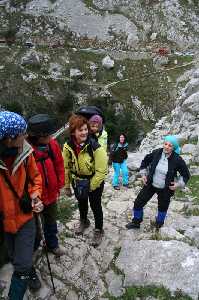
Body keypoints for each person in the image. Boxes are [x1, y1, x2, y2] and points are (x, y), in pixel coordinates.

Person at [0, 111, 43, 299]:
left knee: (22, 264)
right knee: (15, 256)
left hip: (25, 216)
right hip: (4, 221)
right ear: (9, 139)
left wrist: (36, 194)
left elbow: (35, 177)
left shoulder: (25, 153)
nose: (26, 137)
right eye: (22, 134)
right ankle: (29, 269)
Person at [126, 135, 190, 230]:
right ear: (163, 144)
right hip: (151, 183)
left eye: (170, 145)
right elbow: (145, 161)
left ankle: (159, 225)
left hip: (166, 188)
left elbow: (186, 175)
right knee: (138, 203)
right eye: (165, 144)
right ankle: (136, 222)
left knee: (163, 207)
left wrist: (178, 184)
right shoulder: (157, 153)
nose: (167, 147)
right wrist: (143, 174)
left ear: (173, 148)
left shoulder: (177, 159)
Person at [63, 114, 108, 247]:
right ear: (73, 132)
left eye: (85, 129)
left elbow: (101, 171)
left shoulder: (95, 147)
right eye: (80, 130)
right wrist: (67, 185)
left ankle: (99, 229)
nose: (84, 132)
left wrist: (91, 186)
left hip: (94, 180)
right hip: (77, 180)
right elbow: (66, 166)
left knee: (95, 205)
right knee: (81, 202)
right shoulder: (67, 146)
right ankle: (84, 221)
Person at [27, 114, 65, 257]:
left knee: (51, 221)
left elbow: (59, 164)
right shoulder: (27, 151)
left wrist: (60, 184)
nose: (51, 136)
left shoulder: (52, 144)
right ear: (39, 136)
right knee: (35, 226)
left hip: (51, 192)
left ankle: (52, 245)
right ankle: (35, 248)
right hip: (35, 196)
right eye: (48, 134)